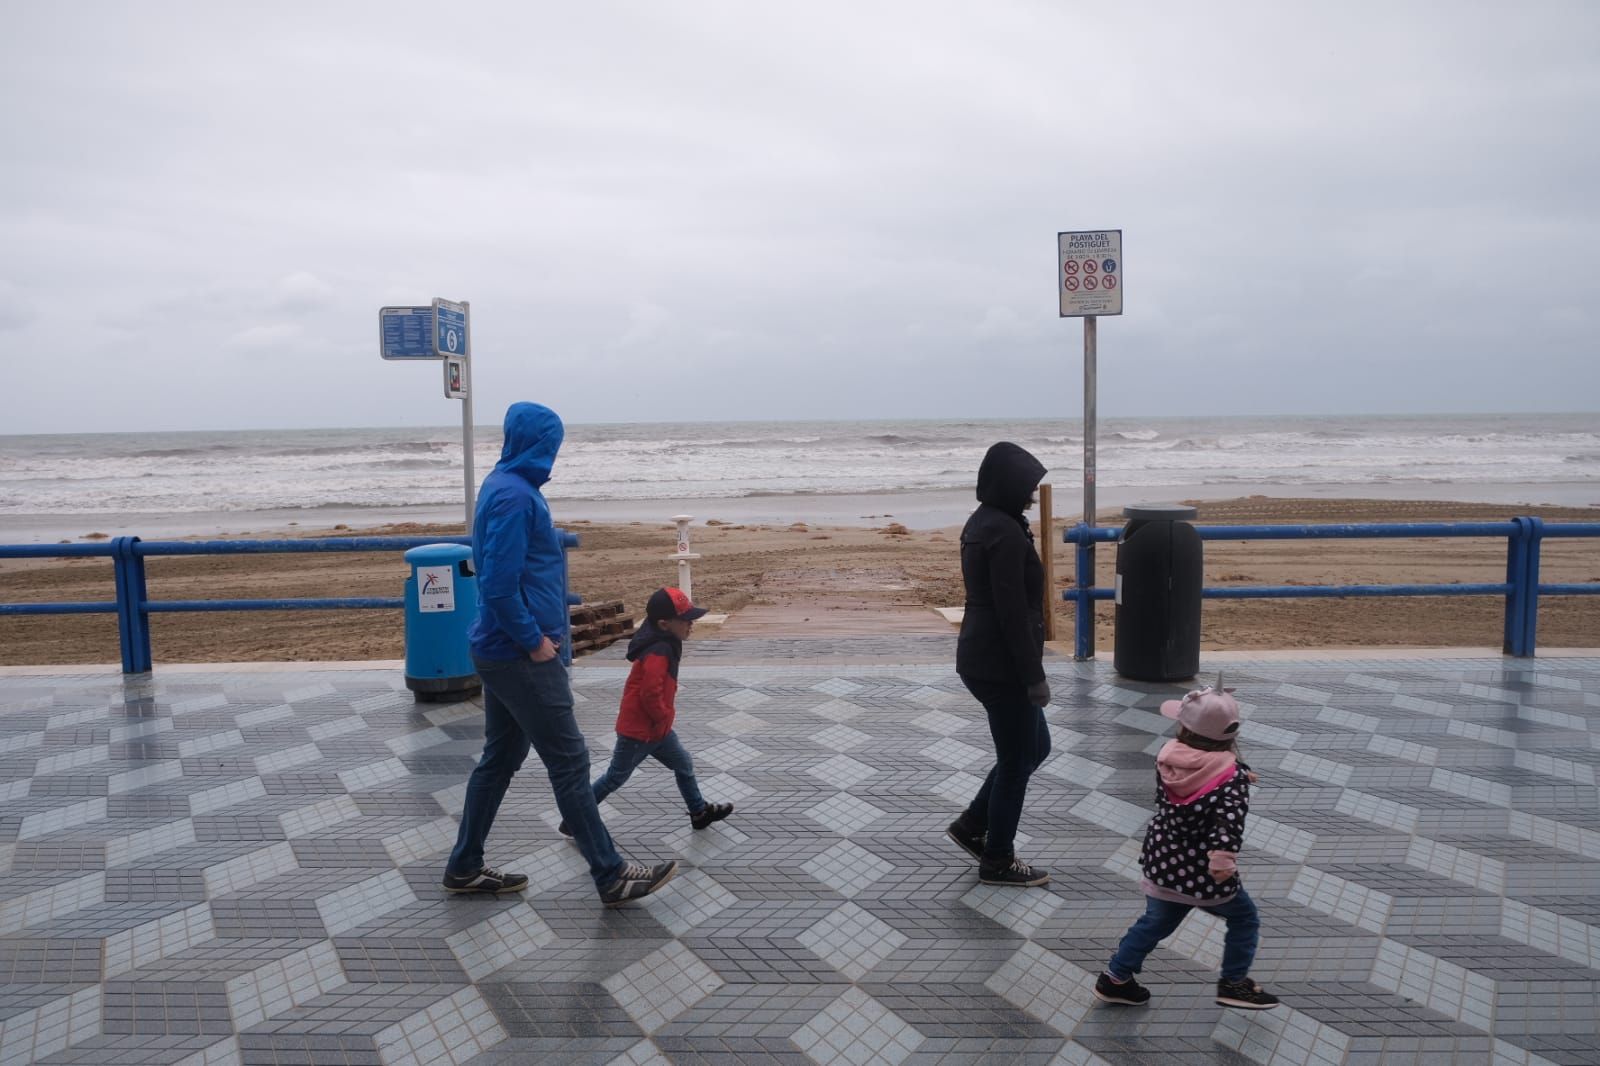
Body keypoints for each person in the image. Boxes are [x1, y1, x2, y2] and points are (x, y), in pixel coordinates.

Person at [442, 401, 677, 906]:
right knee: (570, 761)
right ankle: (611, 873)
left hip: (502, 649)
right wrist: (535, 643)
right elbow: (501, 586)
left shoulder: (507, 486)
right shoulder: (515, 497)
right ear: (538, 443)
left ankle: (464, 865)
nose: (555, 454)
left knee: (499, 759)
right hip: (519, 655)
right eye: (553, 444)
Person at [1093, 681, 1279, 1010]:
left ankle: (1115, 977)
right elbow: (1227, 823)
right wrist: (1222, 862)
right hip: (1203, 870)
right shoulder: (1229, 777)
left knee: (1155, 922)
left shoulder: (1168, 758)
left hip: (1164, 860)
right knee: (1245, 918)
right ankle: (1233, 983)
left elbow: (1199, 780)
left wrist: (1239, 775)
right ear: (1230, 733)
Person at [945, 441, 1054, 886]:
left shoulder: (986, 522)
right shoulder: (1004, 532)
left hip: (982, 655)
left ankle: (973, 824)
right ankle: (998, 859)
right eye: (1028, 487)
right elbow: (1010, 611)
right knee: (1016, 760)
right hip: (1001, 663)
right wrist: (1034, 677)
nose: (1032, 495)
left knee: (1034, 748)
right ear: (1009, 486)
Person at [558, 587, 734, 839]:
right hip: (639, 731)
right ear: (664, 623)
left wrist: (662, 721)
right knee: (614, 778)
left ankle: (699, 812)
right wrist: (662, 715)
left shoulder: (665, 643)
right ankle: (573, 820)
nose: (691, 624)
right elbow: (650, 693)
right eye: (686, 620)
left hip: (657, 730)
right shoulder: (658, 651)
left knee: (683, 764)